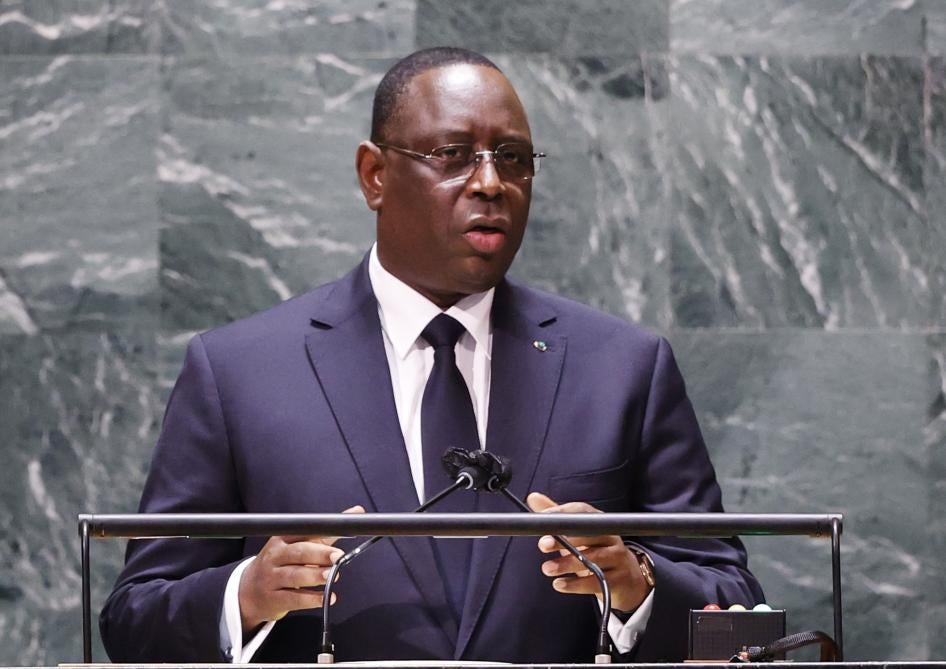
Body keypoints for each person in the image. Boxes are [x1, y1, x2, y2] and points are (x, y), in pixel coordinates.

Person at [100, 47, 763, 664]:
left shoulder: (623, 366)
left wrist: (637, 583)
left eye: (513, 157)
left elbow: (735, 599)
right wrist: (246, 595)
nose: (491, 182)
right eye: (453, 154)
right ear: (375, 174)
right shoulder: (238, 371)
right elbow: (134, 618)